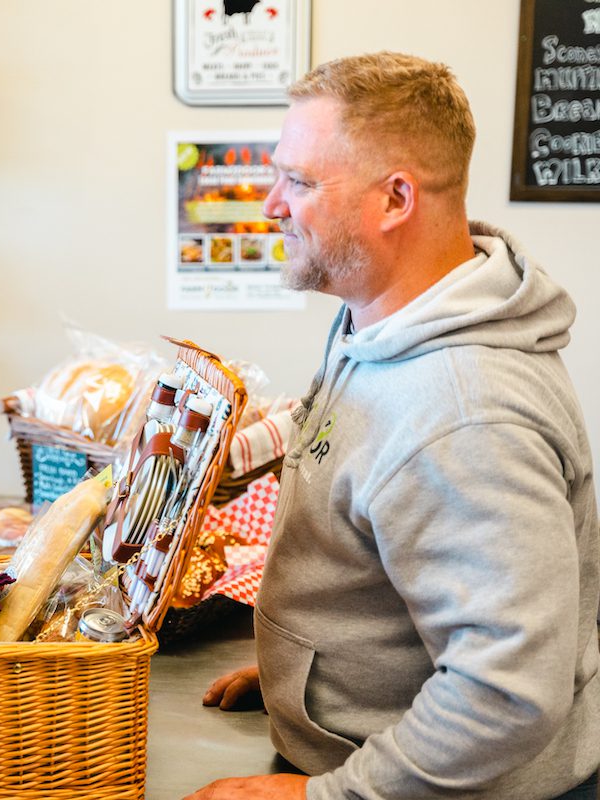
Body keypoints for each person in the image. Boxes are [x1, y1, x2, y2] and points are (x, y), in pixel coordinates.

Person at [190, 52, 600, 800]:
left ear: (396, 198)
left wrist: (323, 798)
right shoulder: (385, 319)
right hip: (363, 734)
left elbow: (504, 693)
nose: (272, 203)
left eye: (301, 182)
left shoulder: (466, 412)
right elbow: (333, 436)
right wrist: (322, 670)